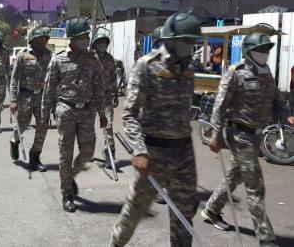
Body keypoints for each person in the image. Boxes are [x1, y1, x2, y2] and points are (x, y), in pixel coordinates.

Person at [110, 12, 202, 247]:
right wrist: (139, 150)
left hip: (184, 153)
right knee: (135, 210)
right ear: (172, 38)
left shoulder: (189, 67)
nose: (190, 45)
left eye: (193, 41)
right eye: (186, 40)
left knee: (184, 214)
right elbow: (129, 113)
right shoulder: (147, 66)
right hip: (154, 153)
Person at [201, 32, 294, 247]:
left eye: (267, 50)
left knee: (234, 176)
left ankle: (211, 210)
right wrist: (215, 134)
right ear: (249, 51)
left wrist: (286, 114)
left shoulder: (265, 72)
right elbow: (220, 105)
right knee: (255, 188)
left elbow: (276, 97)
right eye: (261, 49)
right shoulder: (236, 72)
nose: (265, 53)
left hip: (256, 135)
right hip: (239, 134)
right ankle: (266, 238)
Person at [42, 17, 107, 213]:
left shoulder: (92, 60)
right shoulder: (58, 59)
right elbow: (49, 88)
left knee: (88, 151)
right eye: (83, 36)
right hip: (66, 110)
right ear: (72, 38)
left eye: (87, 36)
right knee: (66, 153)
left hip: (87, 111)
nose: (86, 39)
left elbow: (99, 88)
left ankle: (69, 178)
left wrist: (102, 113)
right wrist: (45, 115)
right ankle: (66, 193)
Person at [9, 26, 52, 171]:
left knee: (42, 127)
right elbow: (14, 79)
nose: (42, 43)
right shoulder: (23, 55)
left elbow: (53, 79)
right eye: (39, 40)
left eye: (44, 40)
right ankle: (14, 140)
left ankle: (35, 157)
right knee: (21, 125)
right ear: (33, 41)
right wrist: (13, 100)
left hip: (42, 97)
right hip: (25, 96)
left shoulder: (49, 56)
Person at [90, 28, 119, 168]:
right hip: (91, 97)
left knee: (108, 125)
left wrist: (116, 94)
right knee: (88, 126)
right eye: (99, 42)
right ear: (95, 43)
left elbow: (114, 77)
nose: (102, 44)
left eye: (104, 42)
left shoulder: (109, 59)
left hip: (107, 96)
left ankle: (110, 155)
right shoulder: (89, 59)